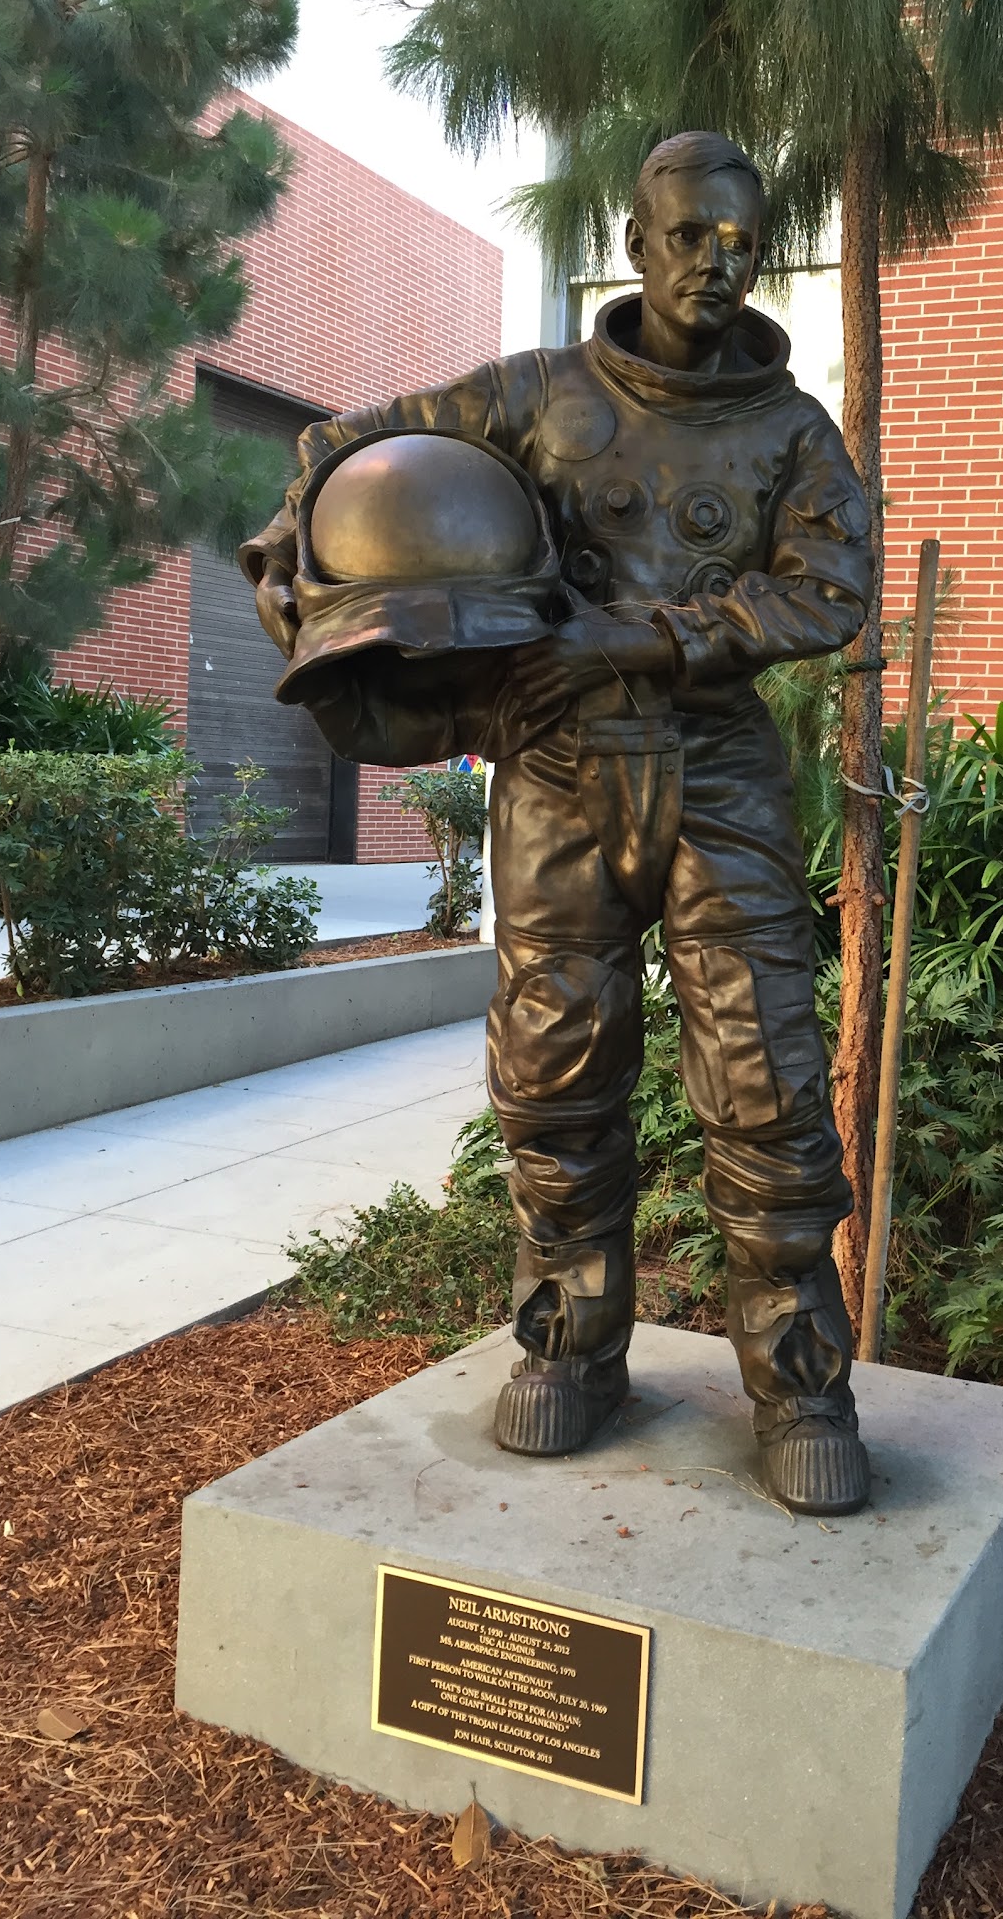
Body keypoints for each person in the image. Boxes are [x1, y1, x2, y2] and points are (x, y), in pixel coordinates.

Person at [241, 131, 874, 1514]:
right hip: (554, 764)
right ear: (635, 244)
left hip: (717, 769)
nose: (715, 263)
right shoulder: (532, 394)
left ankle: (799, 1377)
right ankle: (569, 1343)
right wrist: (295, 537)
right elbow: (347, 445)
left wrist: (632, 638)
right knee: (554, 1062)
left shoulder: (791, 430)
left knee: (765, 1069)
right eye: (689, 236)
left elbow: (828, 593)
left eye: (741, 242)